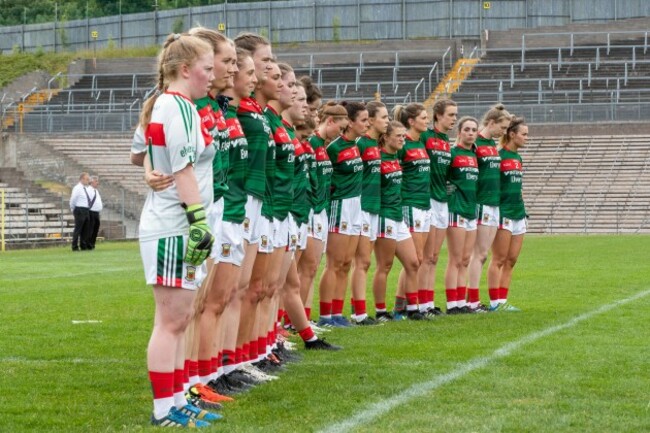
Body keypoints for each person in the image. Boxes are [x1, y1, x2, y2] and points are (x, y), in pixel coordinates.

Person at [132, 32, 217, 428]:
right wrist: (198, 218)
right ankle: (165, 409)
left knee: (177, 320)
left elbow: (149, 158)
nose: (212, 77)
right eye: (207, 69)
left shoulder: (172, 104)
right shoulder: (178, 106)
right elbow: (182, 168)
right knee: (171, 321)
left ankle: (178, 400)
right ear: (186, 70)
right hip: (173, 225)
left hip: (173, 222)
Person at [317, 101, 368, 327]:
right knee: (334, 263)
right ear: (350, 122)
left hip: (356, 206)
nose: (366, 124)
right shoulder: (333, 147)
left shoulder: (355, 145)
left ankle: (338, 312)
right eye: (363, 120)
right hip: (340, 206)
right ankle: (325, 315)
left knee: (347, 262)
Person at [298, 102, 347, 326]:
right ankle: (293, 321)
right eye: (340, 128)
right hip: (311, 211)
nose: (341, 134)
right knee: (306, 268)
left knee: (311, 269)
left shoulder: (323, 146)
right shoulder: (312, 143)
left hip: (321, 211)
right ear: (329, 121)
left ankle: (304, 319)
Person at [372, 121, 421, 322]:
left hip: (397, 216)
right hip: (384, 215)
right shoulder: (378, 158)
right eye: (399, 136)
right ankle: (381, 311)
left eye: (403, 135)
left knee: (413, 262)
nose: (403, 139)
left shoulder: (395, 157)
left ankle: (412, 309)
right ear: (386, 137)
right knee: (385, 265)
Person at [466, 103, 511, 311]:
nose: (503, 133)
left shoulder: (492, 145)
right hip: (481, 202)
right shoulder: (476, 144)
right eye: (502, 128)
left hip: (493, 204)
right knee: (479, 254)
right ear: (491, 123)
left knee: (483, 254)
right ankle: (471, 300)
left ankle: (474, 299)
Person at [418, 98, 457, 316]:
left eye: (455, 115)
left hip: (443, 201)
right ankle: (420, 304)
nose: (454, 119)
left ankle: (429, 302)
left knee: (434, 256)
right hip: (428, 200)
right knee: (425, 257)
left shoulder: (445, 142)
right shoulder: (426, 137)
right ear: (438, 116)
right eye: (451, 115)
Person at [350, 101, 388, 325]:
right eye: (383, 117)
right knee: (362, 262)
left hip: (374, 207)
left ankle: (359, 311)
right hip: (362, 207)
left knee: (365, 262)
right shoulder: (361, 143)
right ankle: (359, 313)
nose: (387, 121)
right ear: (371, 120)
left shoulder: (374, 144)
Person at [392, 103, 431, 320]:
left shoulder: (420, 143)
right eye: (424, 118)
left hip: (424, 204)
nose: (427, 121)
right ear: (411, 121)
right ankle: (409, 308)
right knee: (413, 260)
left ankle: (401, 306)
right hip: (410, 203)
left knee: (418, 259)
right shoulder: (403, 145)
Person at [487, 117, 528, 311]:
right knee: (499, 259)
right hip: (503, 212)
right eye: (524, 134)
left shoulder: (518, 158)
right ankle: (495, 302)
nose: (526, 138)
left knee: (512, 260)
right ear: (512, 134)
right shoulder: (499, 156)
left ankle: (503, 300)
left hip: (518, 212)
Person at [444, 116, 480, 314]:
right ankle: (452, 304)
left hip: (471, 210)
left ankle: (461, 301)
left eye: (474, 130)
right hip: (456, 210)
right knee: (455, 259)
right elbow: (444, 179)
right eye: (467, 129)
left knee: (466, 259)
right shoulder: (452, 153)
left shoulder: (474, 156)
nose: (471, 133)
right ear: (459, 132)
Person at [69, 172, 92, 251]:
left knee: (85, 229)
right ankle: (74, 246)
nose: (88, 181)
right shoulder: (77, 188)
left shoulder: (84, 188)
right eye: (87, 179)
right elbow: (73, 199)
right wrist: (73, 208)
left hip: (85, 209)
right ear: (82, 179)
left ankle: (83, 245)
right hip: (79, 209)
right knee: (78, 228)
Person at [88, 176, 103, 249]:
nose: (98, 183)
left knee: (95, 228)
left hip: (96, 212)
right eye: (96, 181)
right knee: (91, 229)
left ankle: (92, 244)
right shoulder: (89, 190)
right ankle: (89, 244)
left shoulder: (96, 190)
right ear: (92, 182)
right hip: (91, 212)